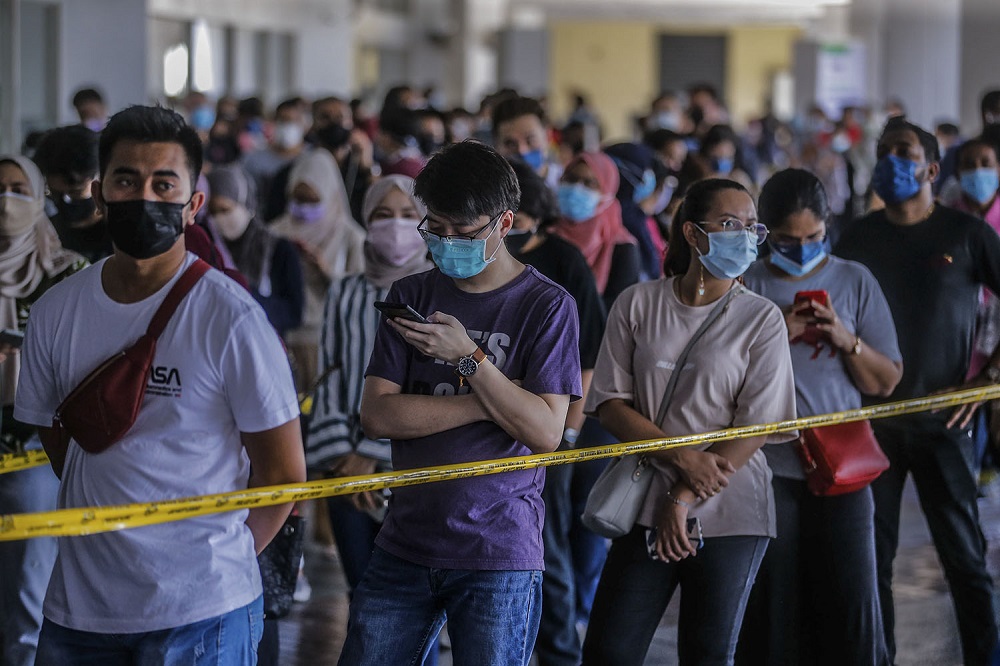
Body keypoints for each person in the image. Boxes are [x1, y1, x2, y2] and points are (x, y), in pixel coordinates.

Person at [13, 105, 306, 664]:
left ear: (193, 204)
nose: (144, 196)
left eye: (163, 183)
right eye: (126, 179)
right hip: (79, 611)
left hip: (201, 613)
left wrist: (218, 563)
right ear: (101, 194)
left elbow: (284, 474)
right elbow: (60, 439)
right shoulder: (56, 311)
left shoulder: (231, 319)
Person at [337, 141, 582, 665]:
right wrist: (493, 401)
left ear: (504, 222)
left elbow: (544, 432)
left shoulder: (547, 305)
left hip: (499, 548)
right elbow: (379, 414)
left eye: (464, 233)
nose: (447, 244)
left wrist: (469, 358)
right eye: (436, 230)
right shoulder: (412, 295)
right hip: (404, 539)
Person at [580, 178, 797, 666]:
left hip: (730, 504)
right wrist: (679, 459)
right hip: (641, 501)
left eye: (750, 226)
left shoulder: (761, 318)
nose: (743, 236)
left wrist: (683, 497)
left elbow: (757, 424)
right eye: (728, 224)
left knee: (706, 652)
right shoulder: (637, 303)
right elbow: (611, 403)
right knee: (609, 650)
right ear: (693, 234)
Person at [835, 116, 1000, 666]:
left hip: (944, 424)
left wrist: (990, 379)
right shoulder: (858, 235)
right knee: (871, 562)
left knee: (965, 560)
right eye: (883, 151)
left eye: (901, 152)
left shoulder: (966, 234)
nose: (889, 161)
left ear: (931, 168)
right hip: (871, 425)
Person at [738, 168, 902, 666]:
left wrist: (846, 339)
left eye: (813, 237)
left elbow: (886, 380)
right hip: (770, 468)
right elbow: (724, 383)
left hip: (844, 468)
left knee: (853, 595)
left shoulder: (855, 281)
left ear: (828, 226)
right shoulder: (748, 284)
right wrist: (775, 334)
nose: (803, 248)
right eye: (789, 239)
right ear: (766, 234)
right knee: (776, 602)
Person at [504, 159, 609, 666]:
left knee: (549, 549)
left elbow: (588, 358)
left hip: (549, 432)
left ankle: (560, 652)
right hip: (492, 433)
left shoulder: (564, 261)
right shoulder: (475, 261)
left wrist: (565, 434)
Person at [306, 174, 432, 592]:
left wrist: (373, 455)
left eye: (407, 215)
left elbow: (429, 389)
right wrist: (345, 458)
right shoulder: (345, 292)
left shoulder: (441, 294)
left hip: (413, 471)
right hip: (346, 471)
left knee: (412, 604)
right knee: (361, 593)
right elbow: (329, 376)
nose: (394, 226)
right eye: (382, 215)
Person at [0, 154, 86, 666]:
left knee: (30, 588)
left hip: (34, 445)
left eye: (17, 187)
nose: (7, 199)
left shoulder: (66, 271)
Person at [270, 149, 365, 391]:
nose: (303, 208)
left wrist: (325, 270)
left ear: (330, 196)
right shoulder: (275, 232)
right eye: (298, 199)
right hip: (281, 338)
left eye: (312, 201)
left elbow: (360, 292)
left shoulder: (350, 237)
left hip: (329, 341)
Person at [205, 165, 304, 338]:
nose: (219, 218)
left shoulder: (278, 249)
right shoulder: (206, 249)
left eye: (225, 209)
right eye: (212, 212)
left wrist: (246, 297)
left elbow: (294, 313)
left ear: (245, 202)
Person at [550, 151, 640, 310]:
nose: (576, 188)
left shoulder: (622, 248)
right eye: (571, 179)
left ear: (607, 191)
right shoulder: (547, 232)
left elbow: (616, 311)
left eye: (589, 183)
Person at [31, 125, 113, 263]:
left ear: (102, 179)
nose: (65, 200)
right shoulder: (43, 234)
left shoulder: (122, 237)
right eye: (54, 193)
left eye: (76, 192)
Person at [605, 142, 665, 281]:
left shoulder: (637, 215)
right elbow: (650, 270)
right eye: (644, 170)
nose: (648, 179)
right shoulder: (627, 216)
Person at [242, 99, 309, 221]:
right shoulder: (253, 159)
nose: (288, 125)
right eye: (283, 120)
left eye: (294, 121)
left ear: (305, 125)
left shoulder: (312, 158)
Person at [492, 96, 561, 189]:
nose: (522, 151)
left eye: (530, 140)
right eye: (511, 144)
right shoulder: (491, 191)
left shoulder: (568, 183)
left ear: (548, 136)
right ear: (496, 145)